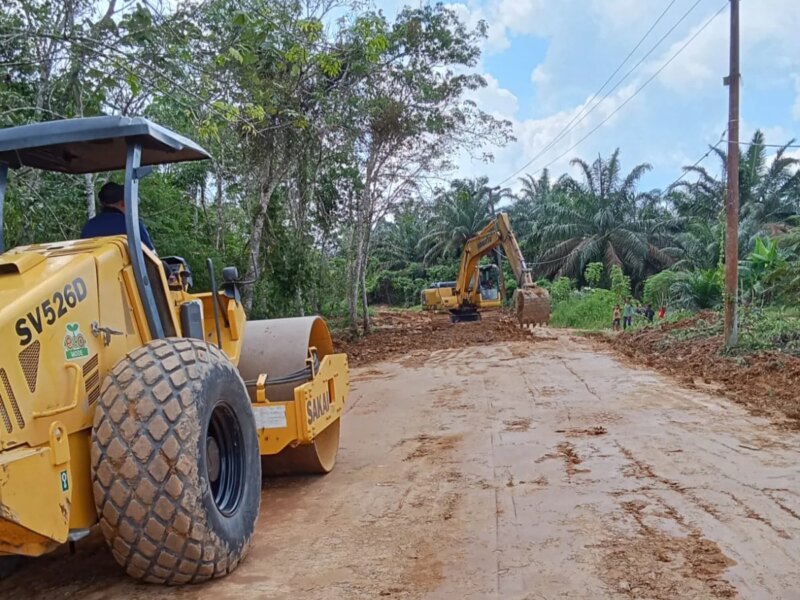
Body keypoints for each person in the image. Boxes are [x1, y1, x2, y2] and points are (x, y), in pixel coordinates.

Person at [81, 182, 155, 251]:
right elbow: (152, 259)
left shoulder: (88, 227)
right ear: (124, 203)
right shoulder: (133, 226)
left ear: (102, 203)